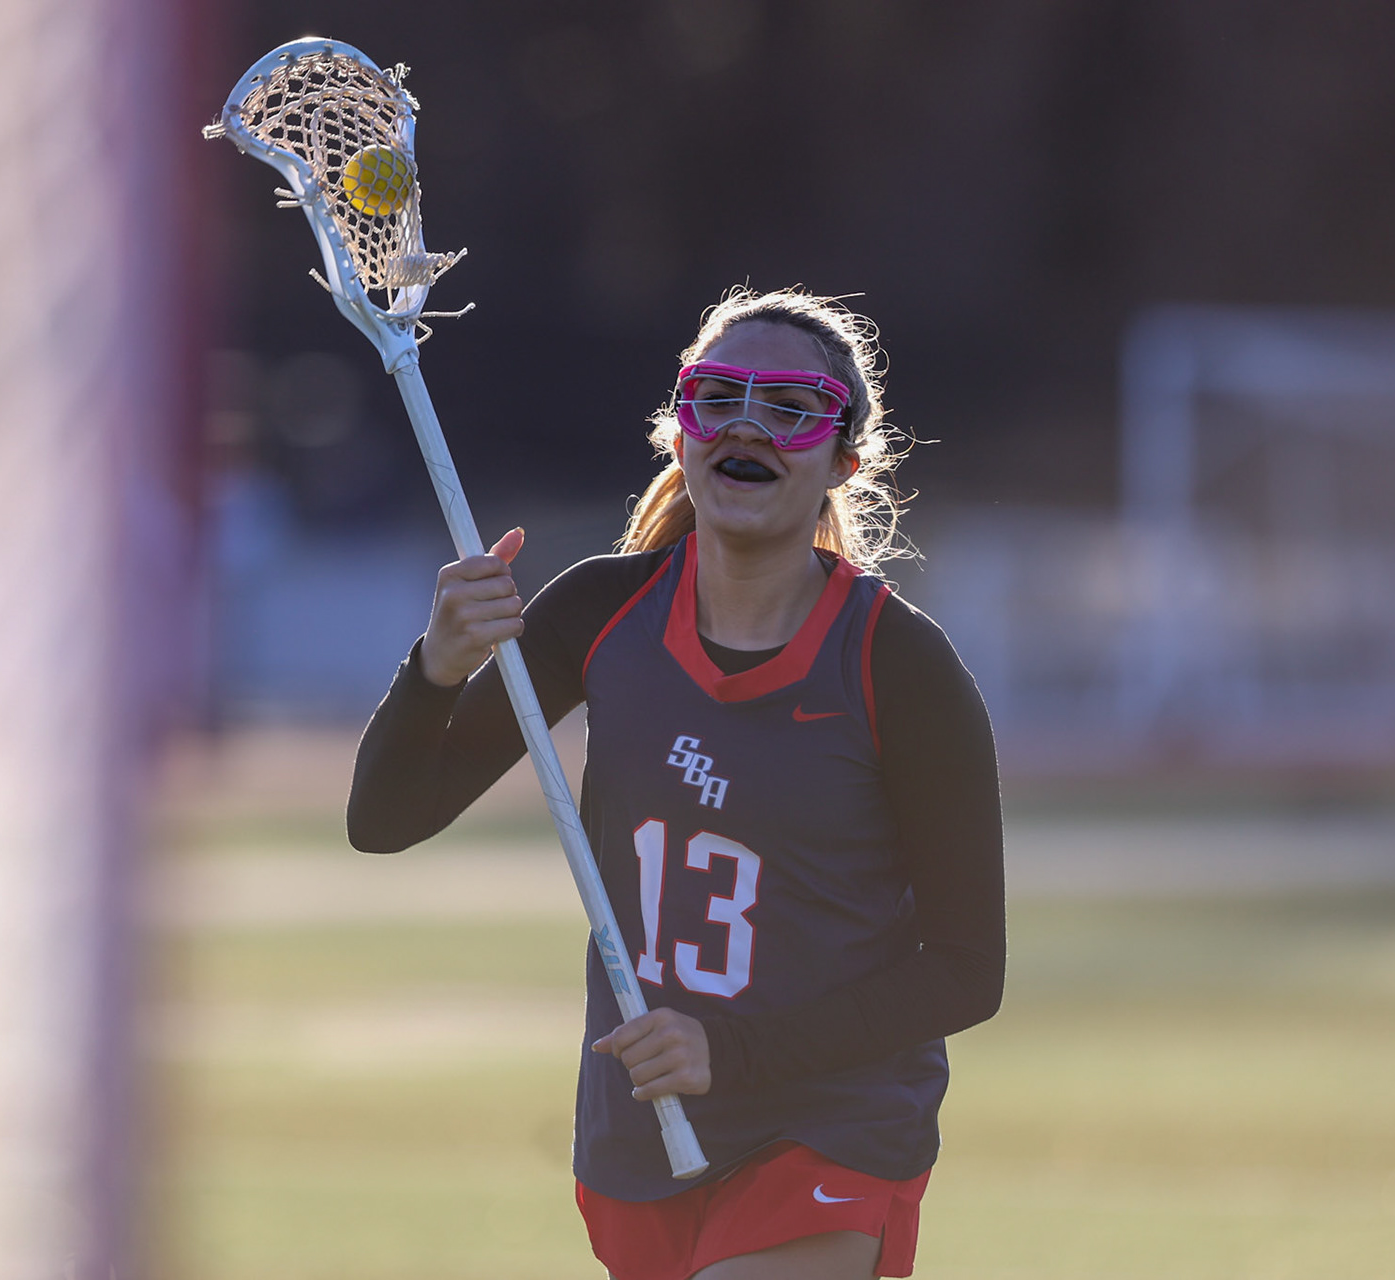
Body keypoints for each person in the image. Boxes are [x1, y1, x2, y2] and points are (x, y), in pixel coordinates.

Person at [347, 288, 1004, 1280]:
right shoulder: (599, 613)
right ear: (682, 433)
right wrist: (434, 667)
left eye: (789, 407)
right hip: (639, 1133)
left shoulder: (898, 664)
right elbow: (384, 820)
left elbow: (966, 967)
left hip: (830, 1126)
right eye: (719, 396)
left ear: (842, 461)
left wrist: (732, 1053)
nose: (748, 423)